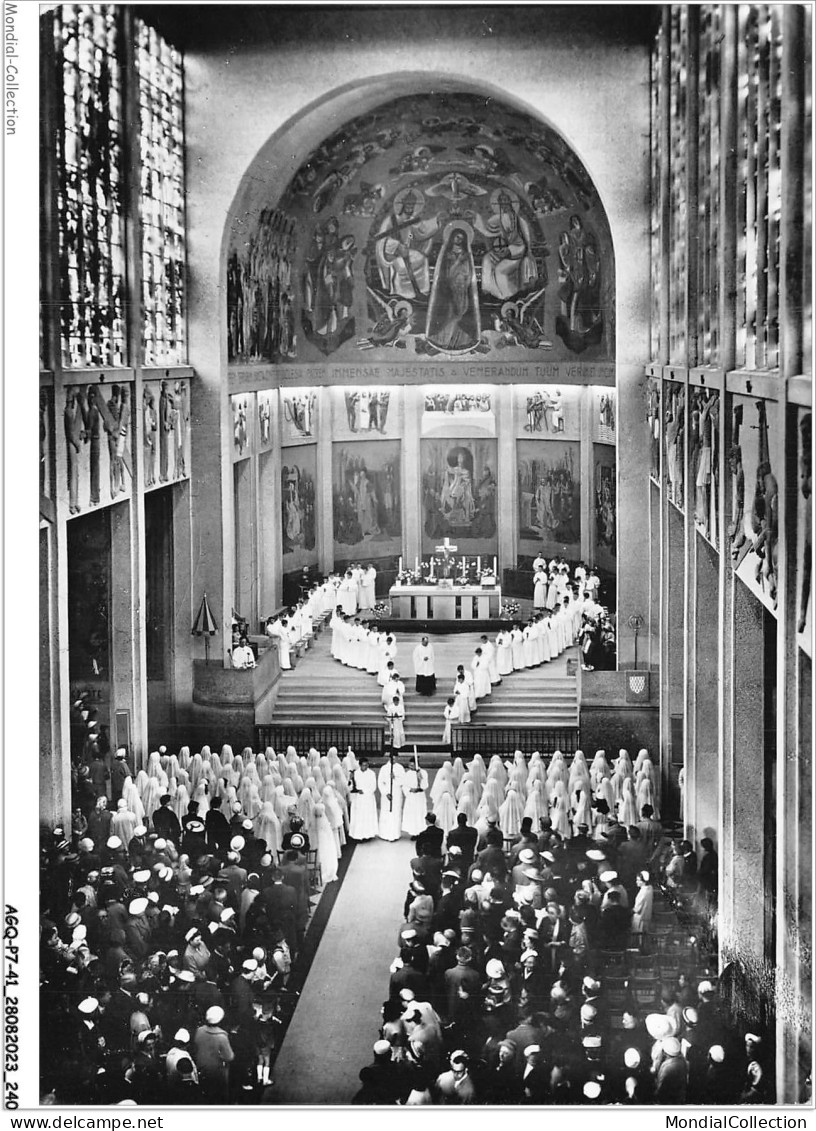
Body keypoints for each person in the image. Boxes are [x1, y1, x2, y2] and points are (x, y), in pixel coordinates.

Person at [193, 1005, 235, 1103]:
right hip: (217, 1073)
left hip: (201, 1069)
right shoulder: (222, 1036)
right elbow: (229, 1057)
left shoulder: (199, 1031)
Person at [348, 757, 379, 841]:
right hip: (358, 799)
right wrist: (350, 779)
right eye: (363, 765)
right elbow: (351, 786)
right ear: (360, 765)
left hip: (368, 798)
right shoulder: (355, 773)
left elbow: (373, 786)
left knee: (367, 817)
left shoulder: (371, 773)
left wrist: (364, 791)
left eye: (367, 765)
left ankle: (368, 835)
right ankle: (358, 835)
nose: (365, 767)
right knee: (359, 817)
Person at [378, 754, 405, 842]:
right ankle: (384, 834)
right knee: (386, 813)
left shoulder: (400, 768)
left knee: (396, 812)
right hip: (387, 794)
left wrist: (395, 778)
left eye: (395, 757)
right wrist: (386, 793)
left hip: (397, 793)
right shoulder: (384, 768)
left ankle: (395, 834)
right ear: (389, 758)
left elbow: (403, 781)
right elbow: (380, 782)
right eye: (392, 758)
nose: (394, 759)